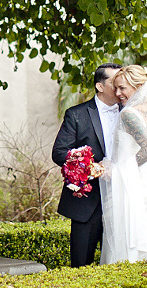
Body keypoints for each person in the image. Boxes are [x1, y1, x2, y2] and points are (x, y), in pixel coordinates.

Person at [99, 65, 147, 264]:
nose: (118, 93)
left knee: (127, 238)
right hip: (142, 181)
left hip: (131, 185)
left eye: (122, 88)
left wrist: (117, 170)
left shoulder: (129, 114)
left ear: (138, 86)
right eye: (116, 88)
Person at [51, 62, 122, 267]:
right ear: (100, 86)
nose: (120, 87)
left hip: (121, 199)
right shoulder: (77, 114)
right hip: (87, 203)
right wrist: (93, 168)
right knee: (81, 266)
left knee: (120, 265)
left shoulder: (131, 113)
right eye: (115, 82)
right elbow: (59, 153)